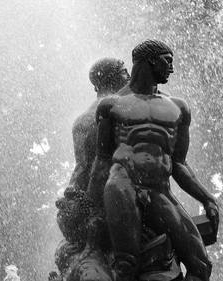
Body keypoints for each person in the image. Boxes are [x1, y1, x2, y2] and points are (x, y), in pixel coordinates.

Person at [87, 40, 219, 281]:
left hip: (159, 191)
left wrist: (207, 199)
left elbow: (179, 164)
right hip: (121, 186)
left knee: (200, 266)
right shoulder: (111, 106)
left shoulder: (179, 107)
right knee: (127, 264)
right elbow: (102, 161)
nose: (171, 68)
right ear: (149, 61)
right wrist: (90, 210)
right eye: (167, 61)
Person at [55, 57, 130, 279]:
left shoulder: (81, 120)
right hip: (118, 200)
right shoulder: (121, 110)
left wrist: (74, 207)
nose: (129, 77)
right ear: (114, 77)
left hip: (89, 201)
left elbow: (81, 169)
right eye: (125, 72)